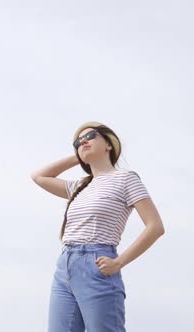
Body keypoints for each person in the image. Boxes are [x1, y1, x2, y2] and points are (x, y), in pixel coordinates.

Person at [31, 121, 165, 332]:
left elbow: (155, 226)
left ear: (109, 144)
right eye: (78, 141)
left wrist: (119, 262)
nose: (83, 142)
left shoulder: (125, 179)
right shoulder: (79, 186)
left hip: (97, 262)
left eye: (90, 136)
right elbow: (39, 176)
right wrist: (80, 156)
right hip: (65, 266)